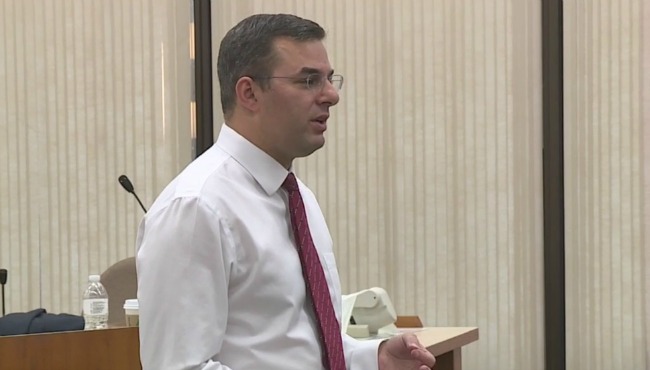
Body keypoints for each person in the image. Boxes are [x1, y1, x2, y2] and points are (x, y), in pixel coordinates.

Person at [135, 13, 436, 370]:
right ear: (249, 93)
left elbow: (297, 344)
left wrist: (373, 358)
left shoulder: (296, 196)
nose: (332, 95)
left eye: (328, 78)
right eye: (308, 80)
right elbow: (179, 366)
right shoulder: (197, 206)